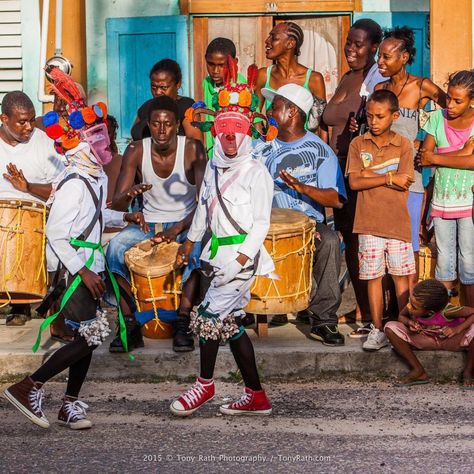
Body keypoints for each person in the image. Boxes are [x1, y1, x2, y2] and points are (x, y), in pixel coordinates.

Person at [2, 69, 145, 429]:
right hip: (74, 267)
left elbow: (98, 216)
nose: (106, 150)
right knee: (89, 335)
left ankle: (70, 403)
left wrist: (125, 216)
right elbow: (57, 233)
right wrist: (81, 271)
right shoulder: (74, 183)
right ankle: (29, 386)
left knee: (89, 335)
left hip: (89, 262)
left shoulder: (92, 177)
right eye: (99, 143)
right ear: (83, 145)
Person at [170, 63, 274, 416]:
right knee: (230, 326)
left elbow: (261, 223)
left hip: (240, 259)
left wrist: (241, 261)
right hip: (215, 255)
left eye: (237, 131)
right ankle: (255, 395)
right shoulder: (215, 165)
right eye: (224, 130)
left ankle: (204, 385)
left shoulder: (256, 172)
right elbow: (204, 206)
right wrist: (190, 243)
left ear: (247, 134)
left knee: (210, 318)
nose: (230, 138)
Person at [107, 95, 206, 353]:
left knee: (195, 251)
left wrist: (177, 230)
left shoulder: (193, 148)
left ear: (177, 125)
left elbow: (205, 202)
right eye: (156, 123)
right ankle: (129, 323)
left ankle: (183, 323)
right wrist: (131, 195)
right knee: (114, 249)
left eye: (168, 124)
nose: (162, 130)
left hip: (185, 222)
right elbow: (117, 203)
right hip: (147, 224)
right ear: (148, 125)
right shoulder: (136, 149)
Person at [253, 84, 347, 346]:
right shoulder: (260, 147)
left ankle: (324, 319)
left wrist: (301, 187)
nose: (269, 111)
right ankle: (253, 309)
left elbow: (336, 198)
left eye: (275, 106)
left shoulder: (320, 150)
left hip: (309, 225)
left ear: (292, 111)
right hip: (266, 224)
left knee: (328, 241)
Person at [322, 18, 384, 328]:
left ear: (374, 47)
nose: (351, 49)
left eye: (359, 44)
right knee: (349, 239)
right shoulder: (347, 78)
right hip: (337, 173)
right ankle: (362, 307)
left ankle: (375, 313)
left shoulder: (375, 80)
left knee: (365, 243)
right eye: (349, 43)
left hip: (359, 170)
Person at [375, 26, 447, 291]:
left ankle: (411, 309)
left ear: (403, 57)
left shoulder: (421, 86)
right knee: (382, 242)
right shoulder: (380, 88)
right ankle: (387, 310)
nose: (380, 62)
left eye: (386, 57)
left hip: (410, 177)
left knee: (410, 242)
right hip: (380, 177)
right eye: (379, 57)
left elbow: (450, 112)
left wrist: (426, 139)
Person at [346, 89, 415, 351]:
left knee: (401, 277)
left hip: (397, 223)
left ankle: (405, 326)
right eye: (370, 116)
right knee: (372, 277)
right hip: (368, 223)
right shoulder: (358, 144)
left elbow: (405, 181)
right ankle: (377, 329)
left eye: (380, 116)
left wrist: (369, 176)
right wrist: (388, 177)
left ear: (394, 116)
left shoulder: (404, 145)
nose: (373, 122)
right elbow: (354, 182)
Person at [0, 91, 64, 326]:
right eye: (22, 121)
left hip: (38, 216)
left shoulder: (44, 143)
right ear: (4, 119)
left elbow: (63, 188)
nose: (29, 127)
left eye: (31, 119)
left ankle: (23, 302)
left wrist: (27, 187)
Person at [418, 70, 474, 307]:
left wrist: (437, 158)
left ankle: (470, 320)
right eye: (449, 97)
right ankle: (443, 318)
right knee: (445, 262)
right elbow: (423, 157)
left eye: (458, 100)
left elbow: (472, 163)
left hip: (469, 204)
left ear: (472, 100)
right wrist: (462, 152)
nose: (449, 104)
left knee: (469, 261)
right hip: (441, 203)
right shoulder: (437, 119)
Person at [385, 279, 474, 387]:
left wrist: (457, 329)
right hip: (426, 340)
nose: (409, 307)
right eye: (410, 301)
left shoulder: (447, 310)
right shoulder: (414, 303)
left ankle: (468, 371)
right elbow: (401, 316)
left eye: (414, 307)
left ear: (430, 311)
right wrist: (409, 323)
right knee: (390, 327)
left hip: (451, 341)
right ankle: (418, 371)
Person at [255, 21, 326, 129]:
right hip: (271, 143)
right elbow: (255, 116)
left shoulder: (313, 79)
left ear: (290, 43)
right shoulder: (263, 75)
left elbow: (320, 124)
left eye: (273, 38)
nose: (267, 41)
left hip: (303, 144)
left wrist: (321, 146)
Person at [130, 59, 202, 142]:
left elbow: (196, 144)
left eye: (163, 87)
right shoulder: (146, 107)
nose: (157, 92)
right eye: (154, 87)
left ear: (178, 84)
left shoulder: (187, 107)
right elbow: (134, 136)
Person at [202, 37, 246, 158]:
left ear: (234, 63)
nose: (215, 71)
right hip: (212, 154)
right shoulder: (206, 83)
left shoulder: (241, 89)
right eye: (211, 64)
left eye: (222, 65)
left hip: (234, 156)